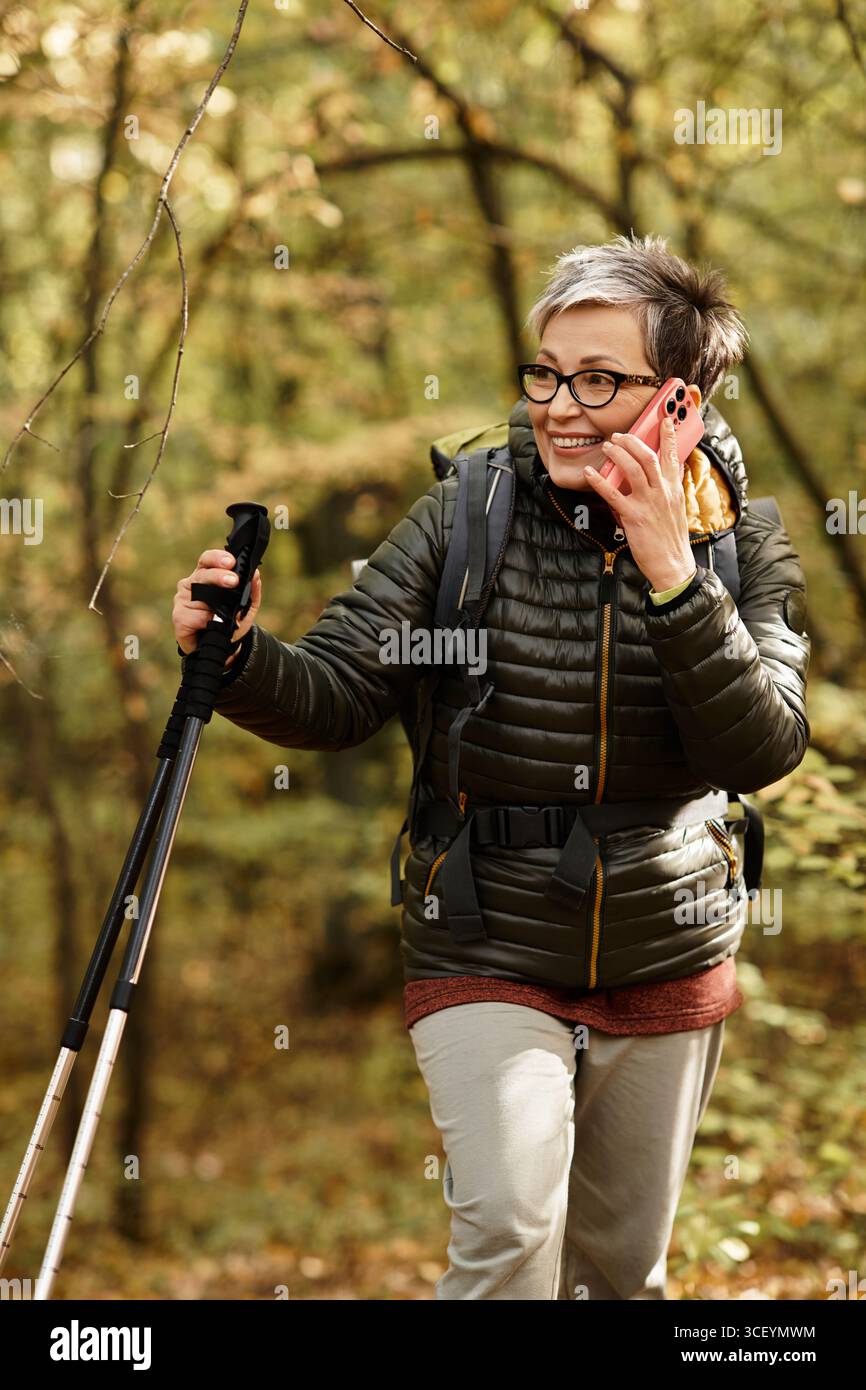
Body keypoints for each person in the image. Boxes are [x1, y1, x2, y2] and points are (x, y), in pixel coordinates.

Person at [172, 233, 811, 1300]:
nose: (558, 405)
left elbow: (759, 745)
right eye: (547, 373)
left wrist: (670, 573)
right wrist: (236, 659)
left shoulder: (745, 544)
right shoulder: (467, 513)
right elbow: (338, 691)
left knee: (617, 1272)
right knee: (513, 1232)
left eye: (598, 379)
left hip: (667, 942)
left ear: (680, 403)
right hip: (483, 932)